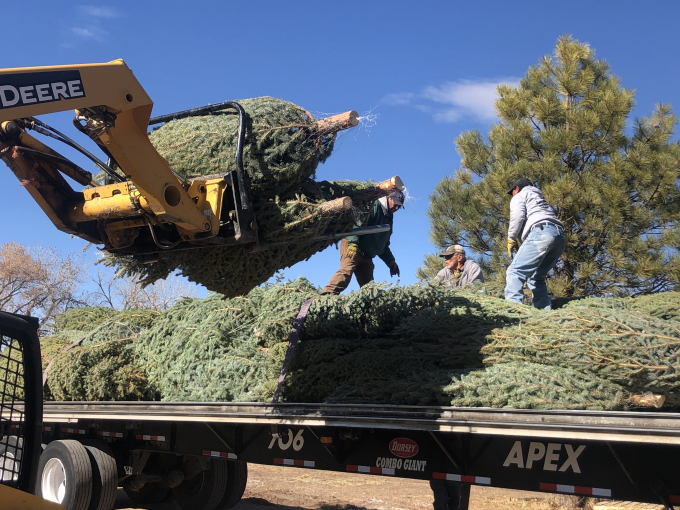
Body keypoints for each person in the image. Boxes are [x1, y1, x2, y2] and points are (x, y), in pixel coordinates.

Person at [323, 191, 403, 294]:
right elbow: (355, 223)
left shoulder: (388, 218)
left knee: (369, 287)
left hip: (367, 256)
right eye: (395, 204)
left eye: (399, 206)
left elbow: (382, 245)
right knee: (346, 271)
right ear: (389, 198)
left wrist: (390, 262)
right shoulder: (374, 206)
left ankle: (370, 305)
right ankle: (328, 295)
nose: (396, 208)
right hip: (353, 246)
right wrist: (352, 243)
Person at [505, 177, 566, 310]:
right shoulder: (538, 198)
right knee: (536, 277)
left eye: (512, 192)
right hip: (559, 237)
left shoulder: (520, 195)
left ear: (517, 189)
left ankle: (513, 312)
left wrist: (511, 238)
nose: (512, 196)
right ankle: (544, 314)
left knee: (515, 271)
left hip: (542, 231)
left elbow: (518, 216)